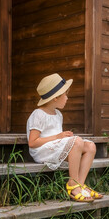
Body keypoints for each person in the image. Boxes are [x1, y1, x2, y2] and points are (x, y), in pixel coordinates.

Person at [26, 73, 103, 202]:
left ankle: (80, 184)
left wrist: (63, 138)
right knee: (77, 141)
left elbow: (63, 142)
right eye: (65, 95)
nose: (67, 98)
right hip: (42, 150)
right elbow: (32, 143)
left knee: (90, 146)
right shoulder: (38, 114)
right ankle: (72, 184)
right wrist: (58, 136)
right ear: (56, 97)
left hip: (55, 148)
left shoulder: (58, 114)